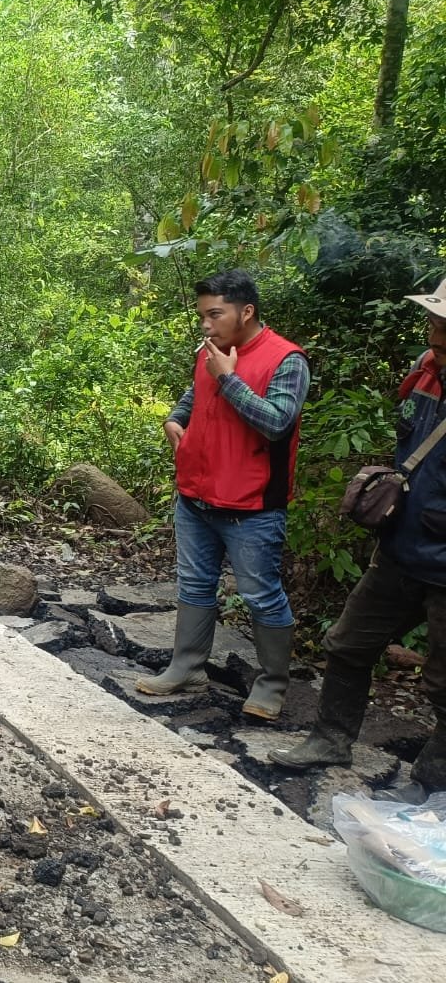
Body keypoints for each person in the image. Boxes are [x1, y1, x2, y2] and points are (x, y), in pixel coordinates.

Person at [270, 277, 446, 792]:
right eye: (434, 319)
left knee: (443, 686)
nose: (433, 328)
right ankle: (330, 738)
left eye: (442, 322)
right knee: (347, 644)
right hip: (400, 549)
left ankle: (433, 781)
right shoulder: (424, 373)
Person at [137, 270, 310, 720]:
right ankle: (186, 667)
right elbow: (197, 392)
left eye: (215, 314)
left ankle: (272, 684)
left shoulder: (287, 359)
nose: (206, 325)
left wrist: (231, 379)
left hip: (251, 505)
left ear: (246, 311)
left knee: (261, 595)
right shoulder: (212, 353)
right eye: (202, 316)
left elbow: (277, 422)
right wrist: (176, 418)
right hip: (196, 494)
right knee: (194, 584)